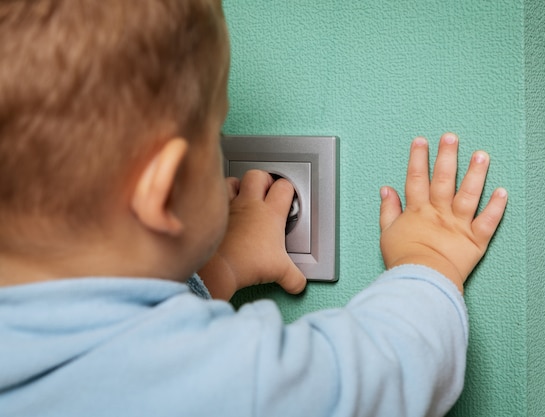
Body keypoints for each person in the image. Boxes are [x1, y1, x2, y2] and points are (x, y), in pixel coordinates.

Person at [0, 1, 508, 416]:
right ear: (170, 186)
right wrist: (429, 261)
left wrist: (219, 270)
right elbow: (385, 371)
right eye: (215, 137)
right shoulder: (238, 381)